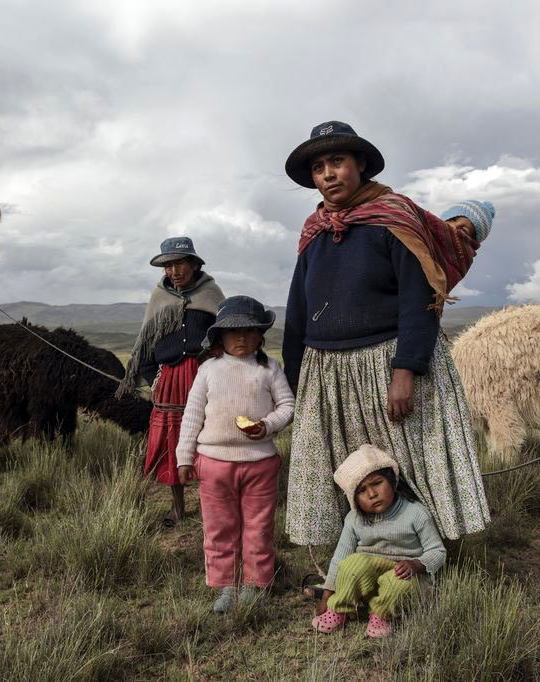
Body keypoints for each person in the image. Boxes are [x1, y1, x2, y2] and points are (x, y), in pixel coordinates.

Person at [282, 120, 496, 547]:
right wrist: (294, 378)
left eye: (337, 161)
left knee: (408, 465)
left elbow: (418, 299)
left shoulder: (392, 218)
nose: (327, 173)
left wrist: (405, 370)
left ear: (360, 164)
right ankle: (355, 556)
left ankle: (426, 558)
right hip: (328, 371)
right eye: (319, 166)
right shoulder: (315, 233)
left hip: (387, 362)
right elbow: (298, 309)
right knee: (349, 470)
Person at [174, 296, 295, 613]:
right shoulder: (208, 370)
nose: (241, 338)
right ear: (220, 337)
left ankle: (255, 585)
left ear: (260, 336)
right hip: (213, 464)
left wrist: (267, 426)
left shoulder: (269, 369)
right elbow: (192, 415)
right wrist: (184, 458)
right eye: (233, 332)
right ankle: (225, 586)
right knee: (219, 527)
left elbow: (287, 407)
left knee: (259, 526)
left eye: (249, 331)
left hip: (260, 463)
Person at [118, 237, 225, 527]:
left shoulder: (211, 293)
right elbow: (146, 344)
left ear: (193, 264)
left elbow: (224, 334)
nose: (174, 271)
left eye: (180, 263)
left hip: (203, 374)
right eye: (168, 265)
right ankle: (178, 507)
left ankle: (212, 505)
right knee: (171, 441)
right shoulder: (159, 298)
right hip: (169, 379)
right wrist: (155, 378)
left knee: (210, 437)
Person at [311, 444, 446, 638]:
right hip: (368, 580)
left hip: (404, 576)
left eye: (377, 483)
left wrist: (416, 564)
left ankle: (381, 614)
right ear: (354, 498)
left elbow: (438, 551)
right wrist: (327, 594)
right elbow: (339, 558)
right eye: (362, 490)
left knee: (398, 584)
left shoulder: (415, 513)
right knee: (350, 564)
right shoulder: (354, 519)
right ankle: (340, 609)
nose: (372, 494)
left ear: (392, 480)